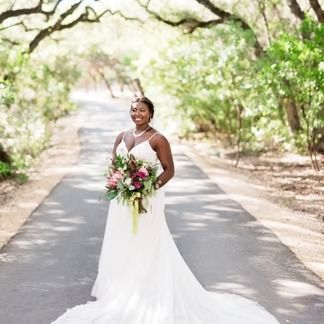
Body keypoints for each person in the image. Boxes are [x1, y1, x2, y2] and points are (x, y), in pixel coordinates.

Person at [50, 96, 279, 323]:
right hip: (121, 203)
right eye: (133, 110)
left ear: (150, 113)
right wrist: (117, 182)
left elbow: (169, 170)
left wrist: (146, 190)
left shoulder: (158, 139)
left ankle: (147, 295)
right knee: (122, 244)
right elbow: (114, 164)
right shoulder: (122, 135)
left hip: (148, 201)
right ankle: (123, 294)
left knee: (146, 244)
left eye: (141, 110)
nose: (136, 114)